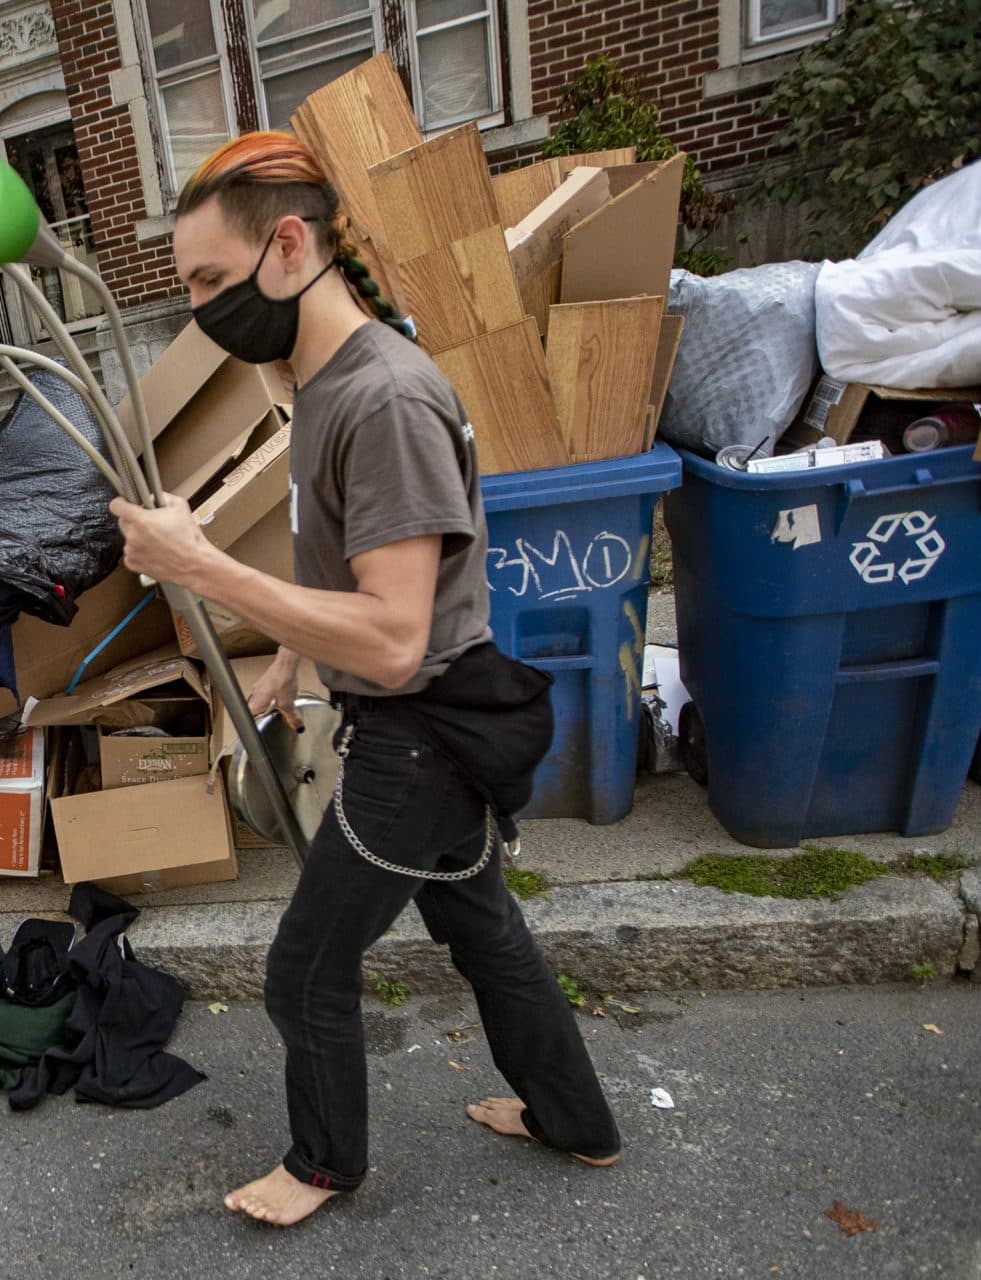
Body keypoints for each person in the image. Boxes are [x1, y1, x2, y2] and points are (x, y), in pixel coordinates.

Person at [110, 133, 622, 1226]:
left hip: (420, 733)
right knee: (486, 934)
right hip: (431, 717)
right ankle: (577, 1118)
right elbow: (338, 559)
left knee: (304, 966)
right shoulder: (318, 379)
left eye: (208, 279)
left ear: (287, 246)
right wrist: (293, 659)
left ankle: (323, 1164)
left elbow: (393, 636)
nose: (198, 307)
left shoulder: (381, 399)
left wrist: (200, 564)